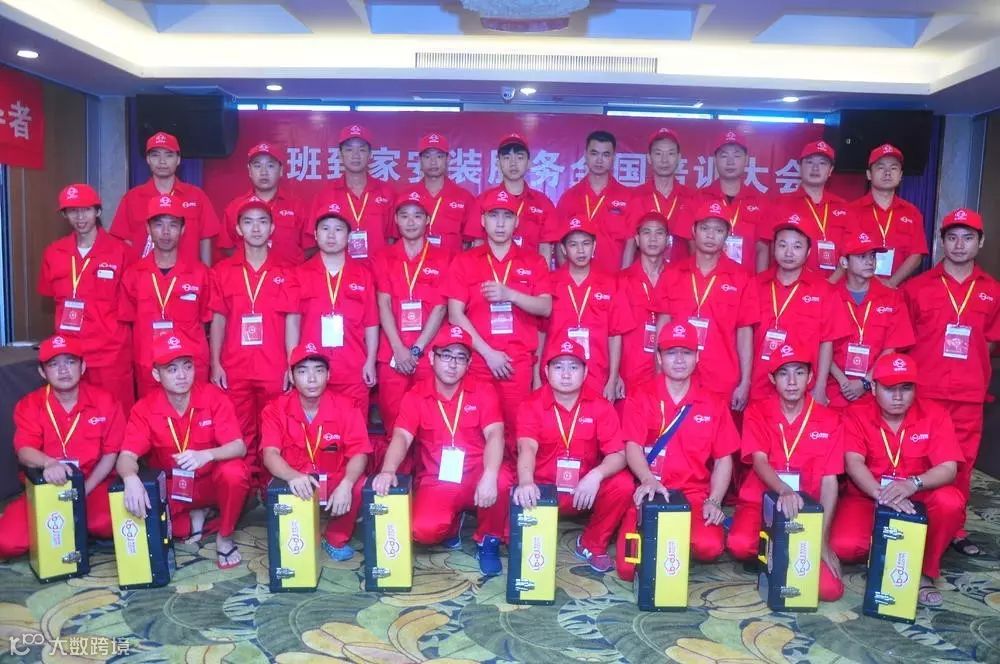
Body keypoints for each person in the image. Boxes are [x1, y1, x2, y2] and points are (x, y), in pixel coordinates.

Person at [371, 325, 513, 576]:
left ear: (469, 363)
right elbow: (402, 437)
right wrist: (388, 470)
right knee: (422, 530)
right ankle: (453, 521)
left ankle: (488, 540)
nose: (452, 364)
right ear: (431, 358)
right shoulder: (416, 395)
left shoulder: (483, 390)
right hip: (438, 478)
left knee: (501, 480)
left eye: (460, 357)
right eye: (446, 355)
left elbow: (495, 434)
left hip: (477, 472)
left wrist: (490, 474)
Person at [828, 353, 965, 607]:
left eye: (906, 388)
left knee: (950, 502)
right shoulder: (856, 414)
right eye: (890, 389)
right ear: (874, 388)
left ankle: (923, 570)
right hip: (869, 497)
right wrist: (882, 494)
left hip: (918, 498)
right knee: (844, 545)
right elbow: (853, 463)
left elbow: (949, 468)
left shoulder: (935, 414)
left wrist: (913, 483)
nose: (899, 396)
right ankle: (892, 554)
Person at [902, 208, 1000, 556]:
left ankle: (954, 528)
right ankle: (913, 518)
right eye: (952, 237)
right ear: (941, 242)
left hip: (968, 396)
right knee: (916, 459)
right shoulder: (916, 288)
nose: (959, 245)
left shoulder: (993, 291)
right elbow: (904, 341)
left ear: (980, 242)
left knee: (961, 464)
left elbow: (990, 343)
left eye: (968, 238)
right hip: (924, 392)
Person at [616, 322, 739, 580]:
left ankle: (669, 546)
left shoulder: (714, 403)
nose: (680, 360)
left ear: (697, 357)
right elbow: (632, 446)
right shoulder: (641, 396)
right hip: (650, 492)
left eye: (686, 352)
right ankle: (668, 545)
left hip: (693, 495)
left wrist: (714, 500)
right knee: (628, 569)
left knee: (709, 547)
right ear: (659, 358)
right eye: (671, 353)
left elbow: (723, 459)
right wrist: (647, 479)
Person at [117, 334, 250, 570]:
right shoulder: (144, 408)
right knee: (134, 518)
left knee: (235, 472)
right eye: (172, 369)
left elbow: (239, 447)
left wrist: (206, 455)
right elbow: (126, 456)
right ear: (156, 374)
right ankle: (196, 519)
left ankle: (225, 535)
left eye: (187, 366)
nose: (182, 375)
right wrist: (130, 478)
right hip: (174, 488)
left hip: (210, 483)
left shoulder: (213, 397)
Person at [726, 343, 845, 602]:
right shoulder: (757, 412)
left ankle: (782, 552)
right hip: (761, 503)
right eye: (783, 373)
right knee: (739, 544)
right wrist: (784, 489)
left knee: (830, 590)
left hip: (805, 511)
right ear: (772, 379)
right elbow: (759, 461)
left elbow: (830, 481)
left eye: (799, 373)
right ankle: (777, 553)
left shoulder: (830, 420)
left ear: (810, 377)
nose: (792, 381)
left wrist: (822, 539)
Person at [513, 335, 631, 573]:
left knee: (623, 484)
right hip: (543, 491)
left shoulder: (600, 406)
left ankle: (591, 544)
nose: (566, 374)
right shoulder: (531, 405)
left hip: (583, 491)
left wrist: (595, 476)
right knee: (510, 486)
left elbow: (619, 453)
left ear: (585, 372)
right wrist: (525, 482)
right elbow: (527, 447)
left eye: (574, 367)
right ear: (546, 371)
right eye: (558, 367)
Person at [447, 188, 552, 452]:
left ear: (517, 222)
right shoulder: (465, 261)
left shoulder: (534, 261)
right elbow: (455, 314)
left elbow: (545, 307)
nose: (501, 223)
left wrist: (511, 295)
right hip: (478, 361)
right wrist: (488, 353)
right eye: (494, 216)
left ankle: (514, 479)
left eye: (507, 216)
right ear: (483, 221)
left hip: (517, 363)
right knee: (473, 432)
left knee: (517, 433)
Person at [0, 336, 123, 559]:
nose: (63, 370)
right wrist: (48, 463)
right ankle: (68, 529)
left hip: (91, 485)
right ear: (42, 372)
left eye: (70, 362)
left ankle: (67, 530)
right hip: (46, 487)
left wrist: (83, 490)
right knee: (7, 542)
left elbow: (111, 453)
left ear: (82, 367)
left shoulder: (105, 401)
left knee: (113, 523)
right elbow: (24, 451)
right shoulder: (30, 404)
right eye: (54, 364)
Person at [208, 198, 299, 490]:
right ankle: (245, 490)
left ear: (272, 228)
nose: (255, 228)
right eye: (248, 222)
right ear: (238, 229)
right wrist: (215, 362)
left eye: (262, 222)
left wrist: (291, 363)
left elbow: (291, 321)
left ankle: (271, 489)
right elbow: (218, 320)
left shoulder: (287, 271)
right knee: (240, 431)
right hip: (235, 365)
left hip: (273, 365)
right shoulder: (222, 271)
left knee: (275, 430)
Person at [261, 342, 371, 561]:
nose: (311, 379)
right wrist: (292, 476)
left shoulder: (347, 406)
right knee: (295, 543)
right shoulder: (275, 409)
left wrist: (347, 484)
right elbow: (269, 454)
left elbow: (360, 452)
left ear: (328, 375)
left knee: (359, 483)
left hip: (333, 479)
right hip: (296, 479)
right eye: (302, 372)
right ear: (291, 377)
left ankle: (335, 537)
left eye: (318, 371)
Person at [655, 200, 759, 411]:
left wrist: (745, 381)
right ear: (694, 231)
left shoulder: (742, 278)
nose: (711, 235)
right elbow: (662, 325)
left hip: (722, 378)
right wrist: (659, 371)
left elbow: (744, 332)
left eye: (718, 230)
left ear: (727, 235)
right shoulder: (673, 273)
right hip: (678, 376)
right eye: (705, 228)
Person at [39, 184, 134, 409]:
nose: (80, 217)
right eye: (73, 211)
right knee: (77, 414)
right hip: (69, 353)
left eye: (86, 210)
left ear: (98, 211)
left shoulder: (122, 252)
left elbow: (132, 305)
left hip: (110, 354)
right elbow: (52, 297)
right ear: (65, 215)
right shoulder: (53, 253)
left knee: (116, 413)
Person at [373, 188, 449, 455]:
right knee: (394, 420)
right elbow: (383, 303)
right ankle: (397, 476)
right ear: (396, 220)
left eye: (417, 215)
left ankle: (427, 474)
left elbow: (440, 308)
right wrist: (399, 348)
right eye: (404, 215)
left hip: (429, 353)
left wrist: (415, 349)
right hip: (392, 353)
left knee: (432, 420)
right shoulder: (383, 257)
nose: (411, 221)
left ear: (427, 220)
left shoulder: (443, 257)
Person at [750, 213, 850, 403]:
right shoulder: (756, 285)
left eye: (797, 246)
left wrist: (820, 387)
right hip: (760, 383)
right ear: (773, 248)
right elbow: (743, 336)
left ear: (808, 251)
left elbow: (827, 342)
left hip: (805, 388)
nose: (789, 253)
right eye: (782, 245)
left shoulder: (824, 291)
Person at [288, 206, 378, 415]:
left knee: (354, 428)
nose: (331, 235)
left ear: (348, 237)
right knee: (316, 429)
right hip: (312, 370)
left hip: (353, 368)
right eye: (325, 229)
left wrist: (370, 361)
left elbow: (371, 323)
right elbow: (292, 322)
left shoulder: (363, 274)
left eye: (338, 229)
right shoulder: (300, 274)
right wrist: (292, 363)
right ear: (315, 235)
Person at [121, 194, 211, 397]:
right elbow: (127, 324)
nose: (166, 232)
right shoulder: (133, 275)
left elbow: (206, 321)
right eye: (158, 224)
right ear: (148, 228)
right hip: (149, 367)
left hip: (190, 368)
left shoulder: (201, 274)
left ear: (183, 229)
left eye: (173, 224)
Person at [546, 215, 635, 401]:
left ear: (594, 246)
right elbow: (540, 333)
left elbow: (615, 335)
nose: (580, 250)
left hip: (598, 375)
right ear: (563, 249)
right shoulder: (550, 283)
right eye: (573, 245)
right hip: (558, 374)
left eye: (586, 243)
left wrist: (613, 378)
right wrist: (538, 379)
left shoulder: (610, 283)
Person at [827, 228, 915, 410]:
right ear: (844, 262)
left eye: (872, 256)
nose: (870, 262)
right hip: (835, 388)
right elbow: (822, 345)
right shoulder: (829, 296)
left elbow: (891, 347)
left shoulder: (892, 297)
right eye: (862, 256)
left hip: (876, 390)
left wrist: (865, 382)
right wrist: (843, 382)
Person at [110, 131, 220, 266]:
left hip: (189, 276)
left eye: (169, 155)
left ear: (178, 160)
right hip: (144, 276)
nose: (162, 161)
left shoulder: (196, 196)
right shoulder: (132, 198)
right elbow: (125, 243)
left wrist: (206, 276)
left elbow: (205, 240)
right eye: (155, 155)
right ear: (148, 159)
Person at [766, 141, 853, 281]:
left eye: (822, 163)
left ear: (830, 170)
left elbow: (850, 252)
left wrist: (831, 283)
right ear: (800, 167)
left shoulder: (843, 207)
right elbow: (769, 250)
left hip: (835, 286)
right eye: (810, 162)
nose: (815, 168)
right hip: (792, 287)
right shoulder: (781, 204)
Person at [466, 133, 558, 264]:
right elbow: (478, 245)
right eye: (507, 157)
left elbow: (545, 249)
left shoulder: (543, 204)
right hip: (491, 273)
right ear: (498, 163)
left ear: (529, 163)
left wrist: (542, 276)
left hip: (530, 274)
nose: (513, 163)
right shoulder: (483, 201)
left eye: (519, 157)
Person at [550, 130, 634, 272]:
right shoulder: (569, 197)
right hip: (578, 283)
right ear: (586, 155)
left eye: (606, 154)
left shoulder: (627, 197)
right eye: (594, 153)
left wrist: (623, 279)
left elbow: (630, 242)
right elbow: (559, 242)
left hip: (614, 280)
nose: (599, 160)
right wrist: (567, 278)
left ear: (613, 157)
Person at [218, 142, 312, 265]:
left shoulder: (297, 207)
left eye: (270, 165)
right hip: (249, 276)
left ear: (281, 170)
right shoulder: (235, 207)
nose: (264, 172)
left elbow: (310, 247)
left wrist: (292, 265)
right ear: (249, 171)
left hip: (290, 275)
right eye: (257, 166)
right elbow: (226, 246)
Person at [311, 124, 395, 261]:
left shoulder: (387, 193)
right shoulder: (324, 195)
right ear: (340, 154)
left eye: (361, 150)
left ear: (370, 154)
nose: (355, 155)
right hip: (340, 270)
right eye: (349, 149)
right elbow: (315, 240)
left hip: (378, 270)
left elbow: (392, 238)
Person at [850, 144, 928, 286]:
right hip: (861, 289)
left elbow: (916, 254)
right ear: (869, 174)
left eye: (893, 168)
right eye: (881, 167)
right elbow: (846, 253)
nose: (887, 173)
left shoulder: (912, 213)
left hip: (899, 290)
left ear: (900, 175)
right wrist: (873, 285)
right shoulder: (852, 211)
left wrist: (891, 283)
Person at [697, 130, 769, 273]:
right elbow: (694, 246)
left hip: (746, 281)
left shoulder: (760, 201)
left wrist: (759, 284)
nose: (730, 162)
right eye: (724, 156)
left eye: (736, 156)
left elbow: (762, 250)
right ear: (715, 159)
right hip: (709, 281)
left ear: (746, 159)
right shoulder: (700, 198)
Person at [623, 128, 698, 267]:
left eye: (670, 153)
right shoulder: (636, 196)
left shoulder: (692, 197)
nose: (664, 160)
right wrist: (624, 277)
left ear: (679, 158)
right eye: (658, 153)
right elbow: (630, 243)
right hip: (645, 275)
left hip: (680, 275)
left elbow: (694, 247)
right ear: (649, 158)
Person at [618, 210, 671, 390]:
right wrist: (616, 374)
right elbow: (614, 332)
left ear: (667, 240)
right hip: (630, 369)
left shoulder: (678, 278)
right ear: (637, 239)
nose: (653, 238)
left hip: (668, 369)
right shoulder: (621, 280)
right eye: (647, 232)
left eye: (659, 233)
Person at [408, 132, 474, 256]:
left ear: (447, 159)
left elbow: (469, 244)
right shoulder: (406, 197)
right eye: (427, 156)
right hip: (415, 267)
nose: (433, 162)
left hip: (452, 266)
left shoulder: (465, 198)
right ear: (420, 160)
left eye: (439, 156)